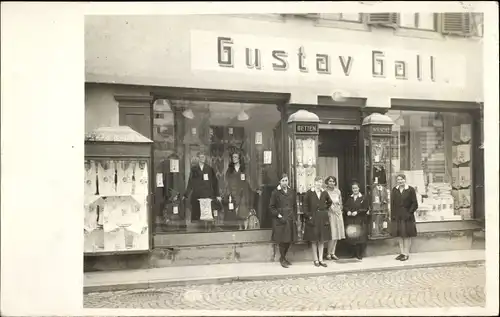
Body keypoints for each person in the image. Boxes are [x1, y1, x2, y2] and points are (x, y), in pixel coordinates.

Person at [269, 174, 298, 268]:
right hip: (280, 219)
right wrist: (279, 215)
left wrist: (295, 217)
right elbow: (271, 207)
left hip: (290, 218)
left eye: (286, 180)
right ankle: (282, 258)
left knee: (289, 240)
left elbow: (294, 206)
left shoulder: (292, 191)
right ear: (279, 182)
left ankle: (283, 257)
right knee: (282, 240)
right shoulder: (275, 193)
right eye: (283, 181)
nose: (285, 182)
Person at [303, 176, 333, 267]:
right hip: (313, 217)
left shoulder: (324, 192)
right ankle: (315, 259)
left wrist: (324, 209)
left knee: (322, 239)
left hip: (322, 217)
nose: (319, 184)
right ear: (314, 183)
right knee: (314, 239)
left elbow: (330, 202)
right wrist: (308, 216)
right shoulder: (309, 193)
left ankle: (321, 259)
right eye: (317, 182)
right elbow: (305, 205)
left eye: (320, 182)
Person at [183, 151, 221, 222]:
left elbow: (215, 183)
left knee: (207, 217)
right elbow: (190, 183)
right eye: (201, 157)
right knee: (198, 217)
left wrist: (217, 194)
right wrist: (186, 195)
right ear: (198, 158)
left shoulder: (209, 169)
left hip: (207, 195)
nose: (202, 158)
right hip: (197, 195)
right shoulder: (194, 169)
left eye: (204, 157)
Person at [223, 151, 255, 230]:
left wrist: (254, 189)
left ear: (239, 158)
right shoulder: (229, 170)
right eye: (233, 157)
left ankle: (243, 227)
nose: (234, 159)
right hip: (233, 193)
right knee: (235, 211)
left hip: (243, 193)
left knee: (243, 211)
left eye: (236, 157)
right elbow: (227, 182)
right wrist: (228, 194)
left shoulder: (244, 169)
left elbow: (248, 181)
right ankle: (237, 228)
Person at [391, 174, 418, 261]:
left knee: (406, 235)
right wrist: (393, 215)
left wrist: (409, 213)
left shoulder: (410, 189)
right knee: (400, 235)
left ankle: (406, 254)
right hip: (398, 216)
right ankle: (402, 253)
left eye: (401, 179)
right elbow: (393, 203)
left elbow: (415, 203)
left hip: (407, 216)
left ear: (405, 180)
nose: (400, 181)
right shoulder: (395, 190)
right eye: (398, 180)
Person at [343, 180, 370, 260]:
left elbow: (365, 208)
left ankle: (359, 254)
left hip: (359, 219)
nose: (355, 190)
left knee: (359, 237)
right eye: (353, 188)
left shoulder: (363, 197)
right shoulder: (350, 198)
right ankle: (353, 253)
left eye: (356, 188)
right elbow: (345, 206)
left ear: (359, 188)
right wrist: (347, 211)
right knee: (352, 237)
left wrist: (357, 212)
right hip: (351, 220)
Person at [324, 176, 345, 261]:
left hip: (338, 214)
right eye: (330, 181)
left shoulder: (338, 191)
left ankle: (333, 253)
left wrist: (340, 210)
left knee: (337, 234)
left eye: (333, 181)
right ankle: (328, 253)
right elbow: (325, 204)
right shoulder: (325, 192)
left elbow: (340, 203)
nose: (331, 183)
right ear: (327, 182)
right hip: (330, 214)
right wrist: (331, 210)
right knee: (332, 234)